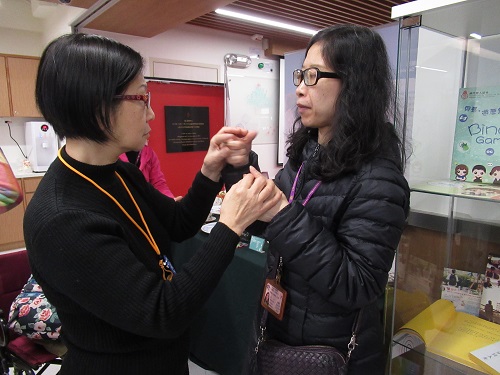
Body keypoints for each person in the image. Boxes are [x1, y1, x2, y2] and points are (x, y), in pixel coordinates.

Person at [25, 33, 281, 375]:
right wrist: (230, 225)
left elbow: (177, 223)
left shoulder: (116, 170)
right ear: (98, 104)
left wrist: (210, 169)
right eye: (142, 98)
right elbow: (163, 313)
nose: (152, 113)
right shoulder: (62, 219)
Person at [241, 25, 410, 375]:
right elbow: (272, 221)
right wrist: (239, 170)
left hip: (330, 356)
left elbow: (358, 284)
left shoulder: (380, 179)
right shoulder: (307, 154)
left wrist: (282, 214)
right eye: (300, 74)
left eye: (313, 76)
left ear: (353, 84)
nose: (300, 88)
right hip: (279, 334)